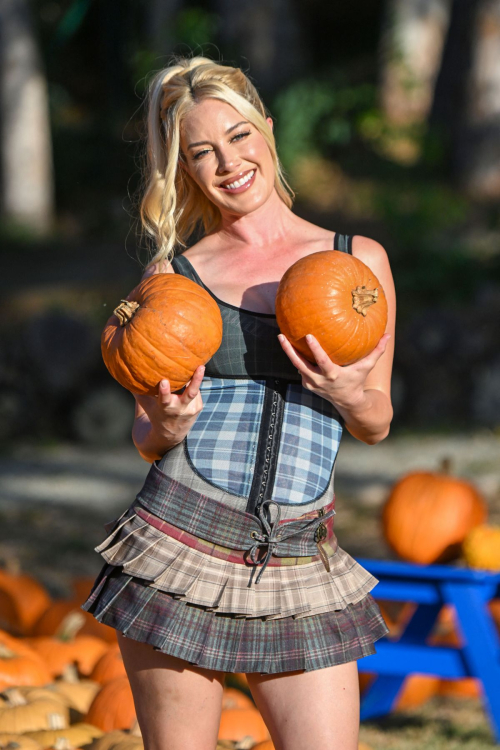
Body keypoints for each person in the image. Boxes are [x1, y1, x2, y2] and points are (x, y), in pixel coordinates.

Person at [82, 56, 396, 750]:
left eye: (239, 136)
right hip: (180, 545)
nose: (228, 162)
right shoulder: (175, 276)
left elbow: (377, 420)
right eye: (202, 152)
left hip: (296, 555)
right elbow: (147, 435)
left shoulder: (357, 261)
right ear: (185, 170)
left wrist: (347, 393)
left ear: (268, 131)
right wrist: (161, 423)